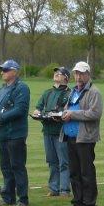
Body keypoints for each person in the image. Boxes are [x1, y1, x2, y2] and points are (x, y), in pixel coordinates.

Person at [0, 59, 30, 206]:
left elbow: (20, 109)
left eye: (5, 70)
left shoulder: (22, 88)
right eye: (2, 70)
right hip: (3, 133)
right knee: (6, 168)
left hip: (15, 134)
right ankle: (8, 197)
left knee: (17, 167)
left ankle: (23, 199)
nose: (2, 72)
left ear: (14, 72)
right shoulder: (3, 88)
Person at [60, 61, 103, 206]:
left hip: (85, 138)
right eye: (76, 73)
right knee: (74, 172)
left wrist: (73, 114)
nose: (78, 76)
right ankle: (78, 203)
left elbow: (95, 113)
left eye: (82, 73)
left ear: (88, 74)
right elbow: (69, 109)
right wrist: (63, 114)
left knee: (87, 173)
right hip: (70, 137)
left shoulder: (94, 92)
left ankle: (90, 205)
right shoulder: (73, 91)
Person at [33, 67, 71, 197]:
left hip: (61, 131)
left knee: (64, 162)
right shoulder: (47, 92)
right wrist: (38, 113)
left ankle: (64, 189)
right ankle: (54, 188)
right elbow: (38, 108)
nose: (56, 75)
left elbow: (68, 111)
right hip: (47, 130)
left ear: (66, 78)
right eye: (55, 73)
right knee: (51, 161)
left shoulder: (69, 94)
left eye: (59, 73)